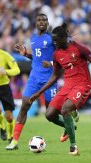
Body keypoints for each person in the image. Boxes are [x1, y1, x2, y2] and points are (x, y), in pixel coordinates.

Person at [29, 23, 91, 155]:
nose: (54, 43)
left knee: (65, 109)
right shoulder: (56, 54)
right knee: (49, 114)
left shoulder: (79, 48)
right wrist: (38, 93)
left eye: (56, 40)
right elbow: (55, 76)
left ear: (64, 38)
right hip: (68, 85)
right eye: (53, 40)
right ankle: (70, 126)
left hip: (82, 84)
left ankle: (73, 146)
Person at [6, 13, 58, 150]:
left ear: (47, 23)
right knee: (24, 105)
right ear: (36, 23)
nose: (41, 22)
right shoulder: (33, 39)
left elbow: (62, 58)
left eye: (44, 20)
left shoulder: (53, 38)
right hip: (34, 78)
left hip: (49, 79)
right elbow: (37, 59)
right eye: (39, 20)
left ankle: (69, 122)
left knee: (51, 114)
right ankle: (14, 140)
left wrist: (52, 63)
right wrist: (26, 54)